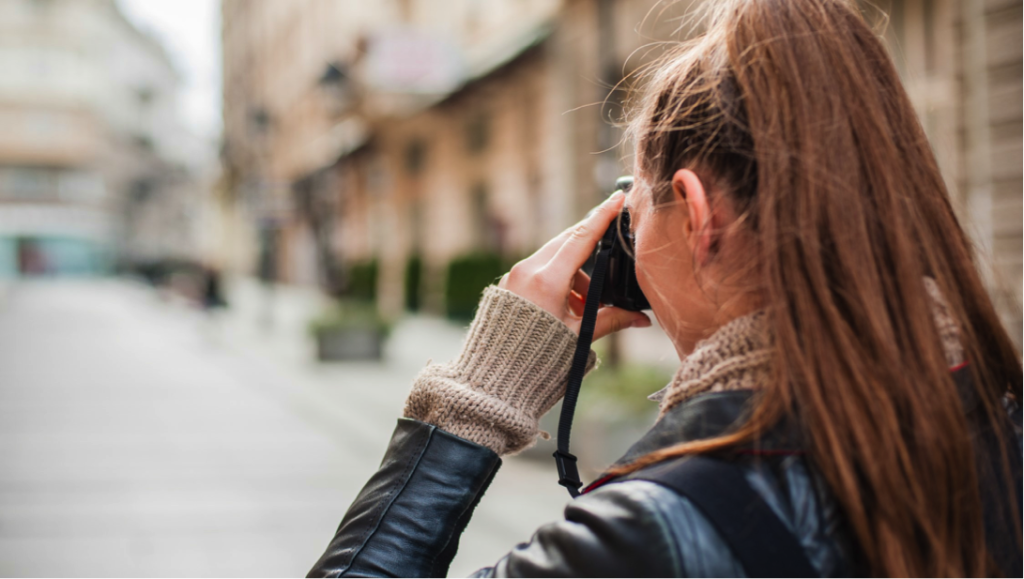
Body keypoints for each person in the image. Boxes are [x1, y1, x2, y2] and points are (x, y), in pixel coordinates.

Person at [307, 0, 1024, 577]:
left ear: (700, 219)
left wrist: (478, 398)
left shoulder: (657, 526)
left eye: (635, 211)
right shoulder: (997, 415)